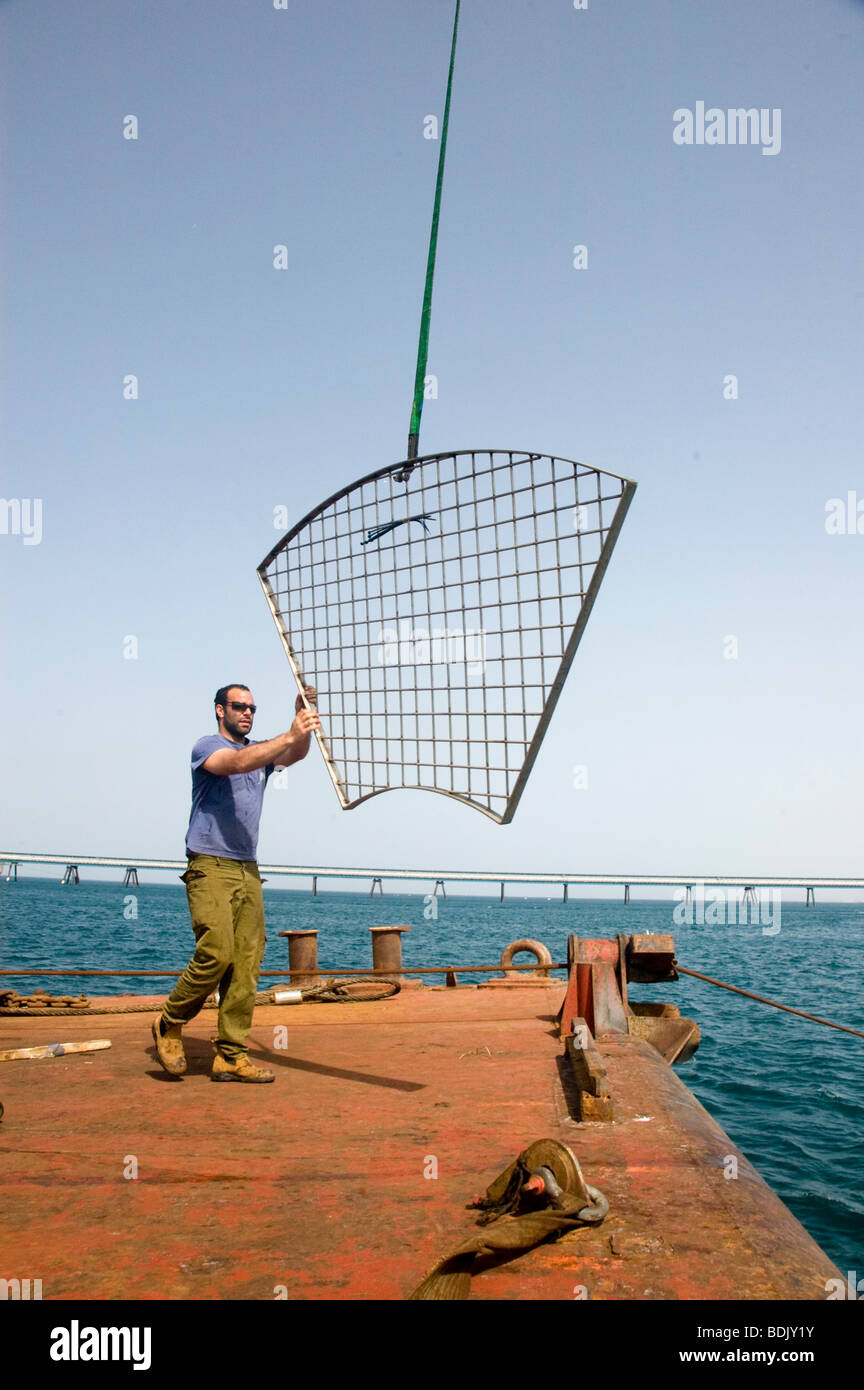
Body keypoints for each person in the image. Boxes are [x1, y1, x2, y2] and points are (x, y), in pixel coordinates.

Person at [151, 682, 320, 1083]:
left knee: (246, 963)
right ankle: (169, 1022)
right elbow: (236, 764)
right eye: (239, 706)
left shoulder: (259, 751)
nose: (247, 712)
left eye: (252, 708)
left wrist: (303, 724)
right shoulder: (207, 747)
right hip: (209, 865)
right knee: (216, 952)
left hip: (248, 868)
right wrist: (289, 733)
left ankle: (230, 1054)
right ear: (219, 710)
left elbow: (293, 754)